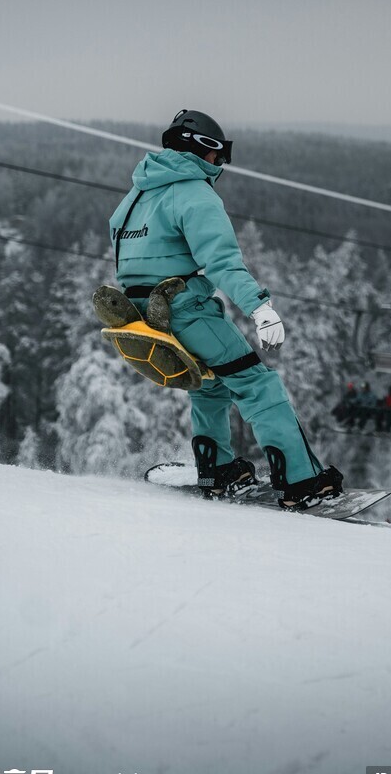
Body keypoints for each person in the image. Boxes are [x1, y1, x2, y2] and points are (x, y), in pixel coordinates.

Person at [109, 109, 343, 510]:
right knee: (257, 384)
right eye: (220, 156)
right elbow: (222, 262)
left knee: (212, 382)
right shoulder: (195, 193)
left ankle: (216, 469)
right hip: (185, 308)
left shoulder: (136, 196)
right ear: (204, 150)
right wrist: (260, 307)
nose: (221, 165)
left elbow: (126, 258)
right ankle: (301, 482)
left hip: (146, 315)